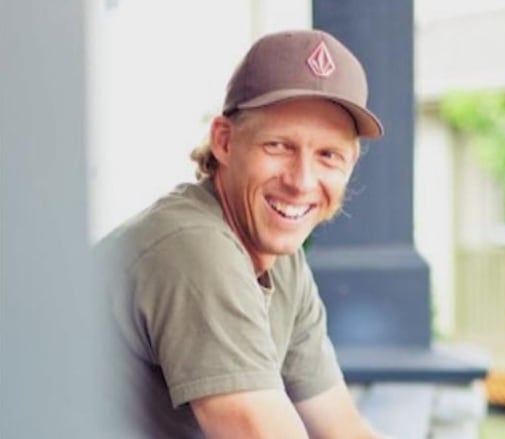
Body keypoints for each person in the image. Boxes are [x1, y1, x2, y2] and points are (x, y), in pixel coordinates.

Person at [97, 29, 388, 438]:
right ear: (225, 142)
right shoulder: (191, 245)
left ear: (351, 164)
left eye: (328, 155)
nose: (302, 181)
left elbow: (342, 428)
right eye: (278, 146)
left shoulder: (282, 262)